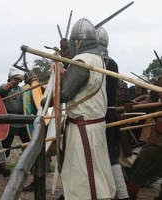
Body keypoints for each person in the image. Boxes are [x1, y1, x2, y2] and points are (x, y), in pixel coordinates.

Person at [58, 18, 115, 199]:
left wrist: (58, 78)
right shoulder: (99, 59)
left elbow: (64, 93)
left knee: (83, 177)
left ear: (78, 42)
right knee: (97, 174)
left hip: (83, 129)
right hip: (95, 126)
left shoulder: (81, 60)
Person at [96, 27, 130, 200]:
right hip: (109, 113)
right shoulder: (113, 63)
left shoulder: (95, 63)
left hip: (97, 116)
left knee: (104, 155)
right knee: (111, 155)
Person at [125, 75, 162, 200]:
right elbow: (152, 101)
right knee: (139, 169)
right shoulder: (160, 80)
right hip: (158, 140)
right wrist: (135, 105)